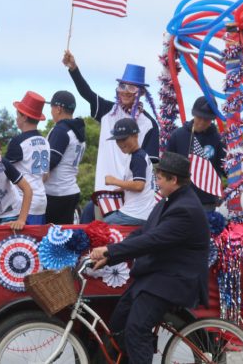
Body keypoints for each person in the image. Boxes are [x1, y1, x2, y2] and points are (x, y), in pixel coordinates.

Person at [89, 152, 208, 363]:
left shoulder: (185, 209)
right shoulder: (169, 200)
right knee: (118, 322)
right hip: (158, 274)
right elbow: (144, 232)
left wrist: (109, 251)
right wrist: (111, 254)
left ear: (173, 179)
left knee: (136, 329)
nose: (157, 181)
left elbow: (151, 240)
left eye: (160, 177)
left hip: (174, 279)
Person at [62, 51, 159, 222]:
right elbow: (87, 94)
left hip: (133, 196)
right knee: (97, 234)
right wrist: (74, 69)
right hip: (104, 190)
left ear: (141, 92)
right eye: (122, 86)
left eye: (132, 87)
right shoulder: (108, 112)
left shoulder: (149, 124)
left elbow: (149, 166)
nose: (126, 92)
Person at [166, 96, 225, 210]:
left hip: (207, 202)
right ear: (193, 115)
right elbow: (167, 168)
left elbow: (224, 167)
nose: (202, 122)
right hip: (180, 199)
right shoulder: (178, 135)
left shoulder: (218, 139)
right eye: (199, 117)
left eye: (207, 119)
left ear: (212, 119)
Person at [101, 118, 156, 226]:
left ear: (136, 136)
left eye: (124, 139)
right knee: (91, 208)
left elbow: (139, 185)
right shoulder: (138, 155)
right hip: (142, 211)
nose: (121, 143)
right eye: (118, 139)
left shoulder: (138, 157)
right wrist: (123, 188)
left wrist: (114, 181)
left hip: (138, 213)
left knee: (102, 226)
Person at [6, 92, 50, 225]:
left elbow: (4, 172)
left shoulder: (18, 142)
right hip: (41, 201)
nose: (16, 118)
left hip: (23, 204)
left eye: (17, 115)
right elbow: (45, 175)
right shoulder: (45, 141)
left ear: (24, 117)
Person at [44, 91, 86, 225]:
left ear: (58, 109)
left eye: (51, 107)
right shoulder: (77, 131)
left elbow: (51, 161)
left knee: (52, 239)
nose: (51, 111)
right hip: (71, 190)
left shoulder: (61, 130)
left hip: (56, 193)